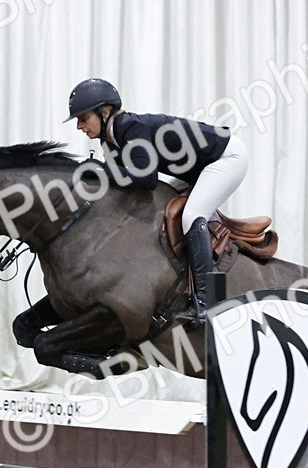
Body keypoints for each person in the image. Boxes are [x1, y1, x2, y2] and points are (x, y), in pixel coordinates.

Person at [65, 78, 248, 324]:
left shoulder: (131, 127)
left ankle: (209, 302)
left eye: (83, 118)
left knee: (192, 216)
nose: (79, 126)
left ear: (104, 111)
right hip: (199, 170)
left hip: (226, 158)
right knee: (162, 212)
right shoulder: (109, 140)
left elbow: (145, 178)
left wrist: (98, 170)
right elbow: (121, 183)